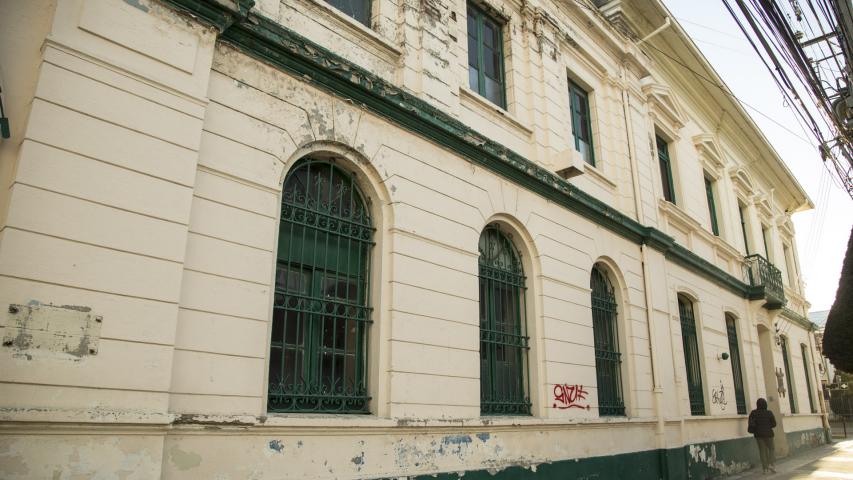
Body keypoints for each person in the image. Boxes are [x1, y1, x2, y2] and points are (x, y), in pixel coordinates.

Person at [748, 398, 777, 474]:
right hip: (769, 434)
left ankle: (765, 468)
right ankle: (771, 464)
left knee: (762, 451)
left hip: (759, 435)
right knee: (771, 449)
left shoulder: (753, 413)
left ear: (757, 404)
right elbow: (774, 424)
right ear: (765, 404)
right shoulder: (769, 413)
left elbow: (751, 424)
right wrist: (768, 426)